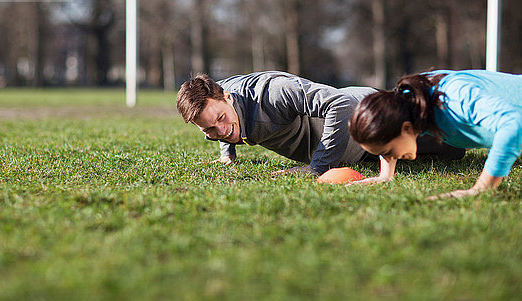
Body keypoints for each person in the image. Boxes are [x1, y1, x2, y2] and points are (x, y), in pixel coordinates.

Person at [176, 71, 464, 177]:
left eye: (221, 121)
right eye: (209, 131)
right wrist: (228, 154)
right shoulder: (215, 98)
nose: (220, 131)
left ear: (227, 97)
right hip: (362, 148)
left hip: (371, 118)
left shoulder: (275, 92)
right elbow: (216, 122)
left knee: (457, 142)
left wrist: (317, 167)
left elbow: (341, 104)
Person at [349, 69, 522, 199]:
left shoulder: (455, 97)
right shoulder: (411, 102)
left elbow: (513, 125)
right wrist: (385, 176)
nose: (388, 156)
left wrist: (482, 188)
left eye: (387, 152)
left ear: (406, 128)